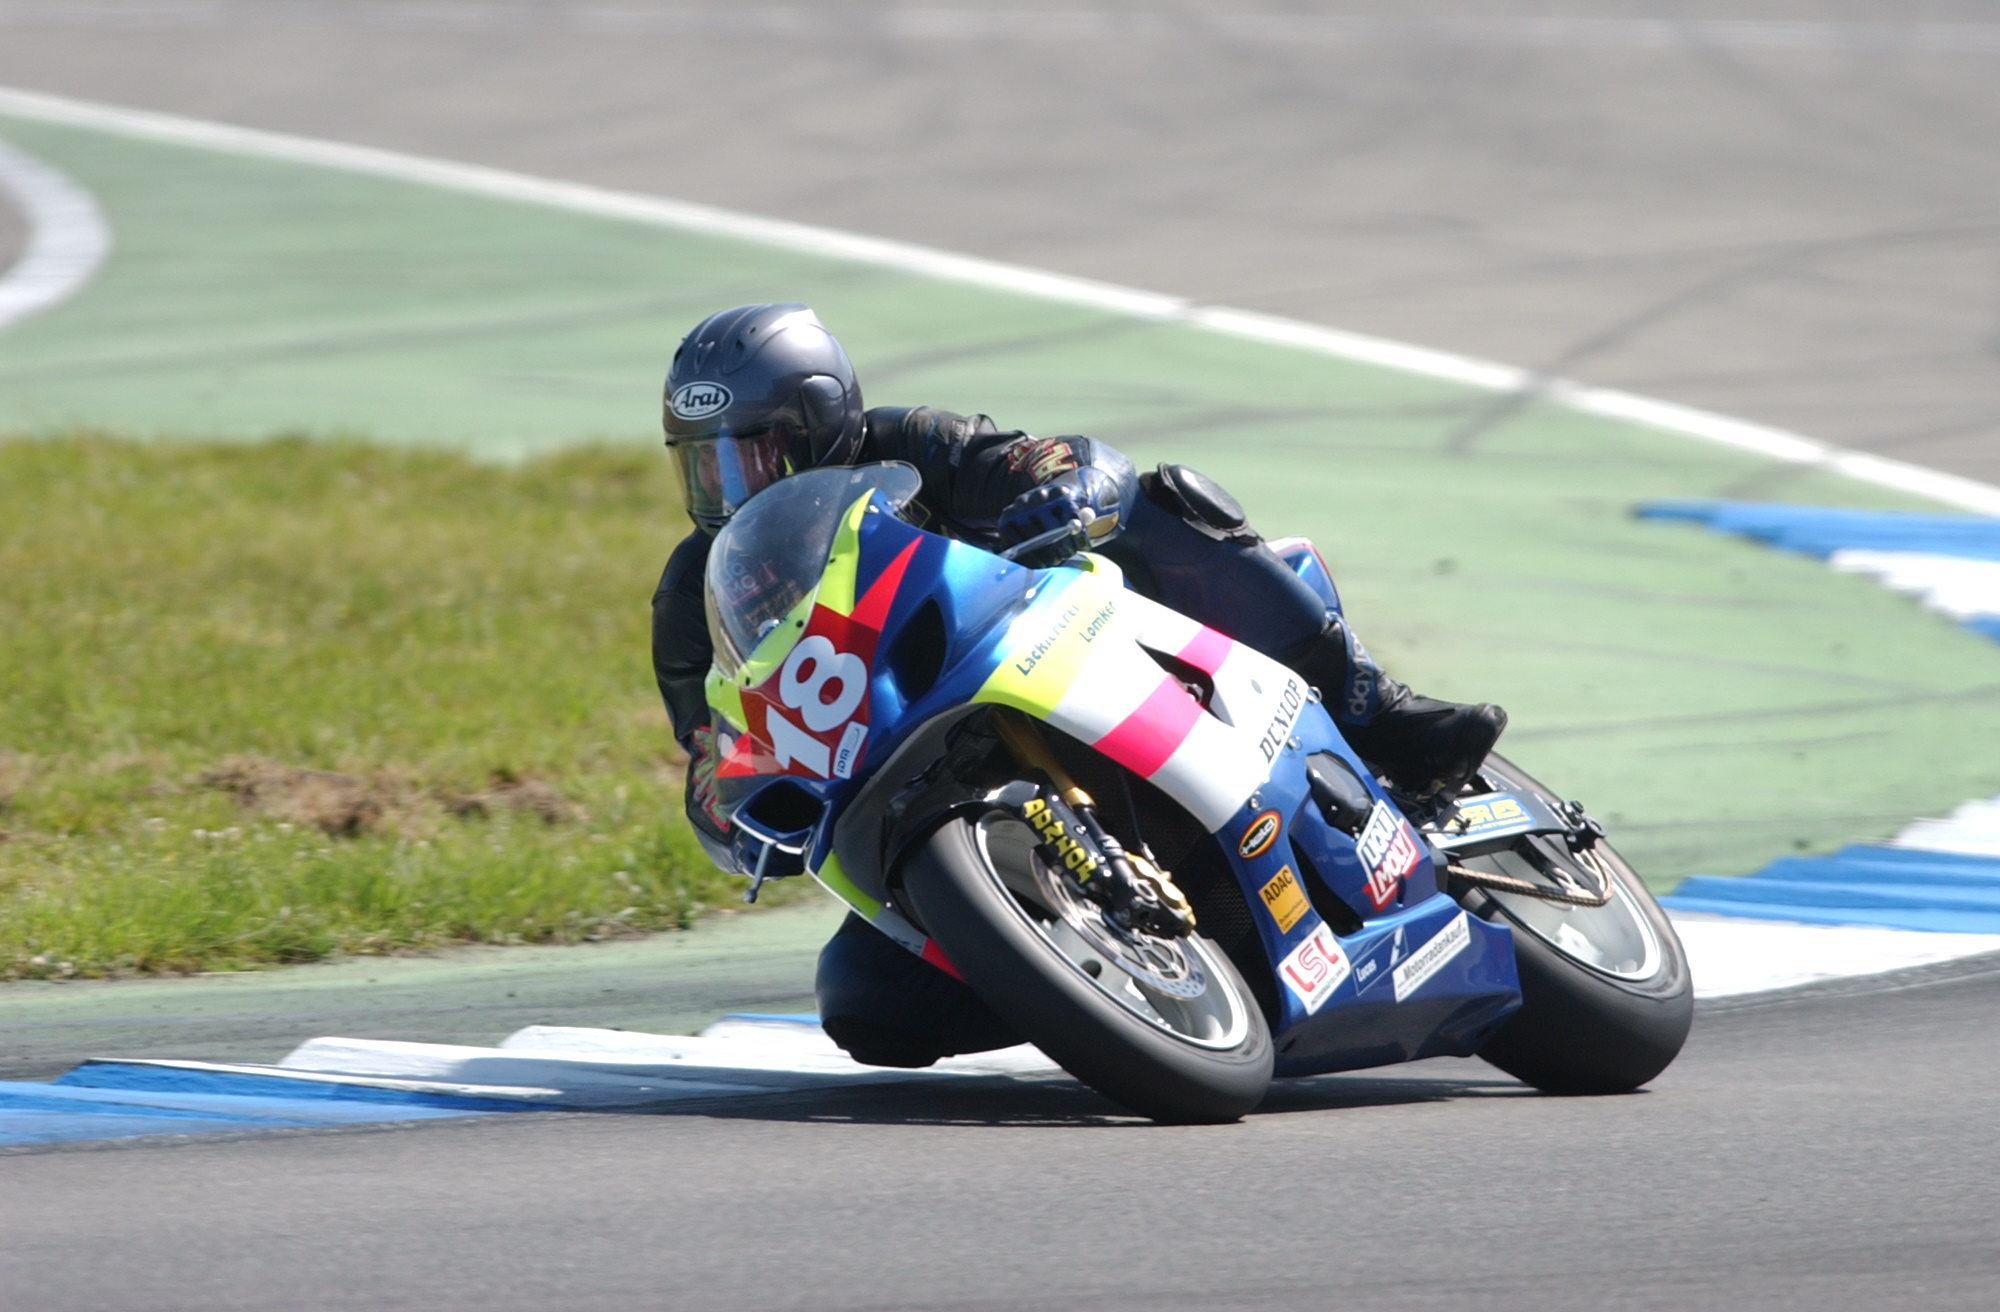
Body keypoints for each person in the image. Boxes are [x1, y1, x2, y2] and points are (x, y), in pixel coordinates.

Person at [652, 302, 1506, 1068]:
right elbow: (712, 745)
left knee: (1166, 501)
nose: (732, 487)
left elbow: (1060, 458)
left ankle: (1377, 709)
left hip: (1063, 647)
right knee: (866, 1003)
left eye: (756, 454)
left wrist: (1068, 492)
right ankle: (1087, 981)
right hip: (908, 778)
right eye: (705, 466)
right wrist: (730, 805)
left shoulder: (914, 443)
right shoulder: (696, 595)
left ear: (824, 422)